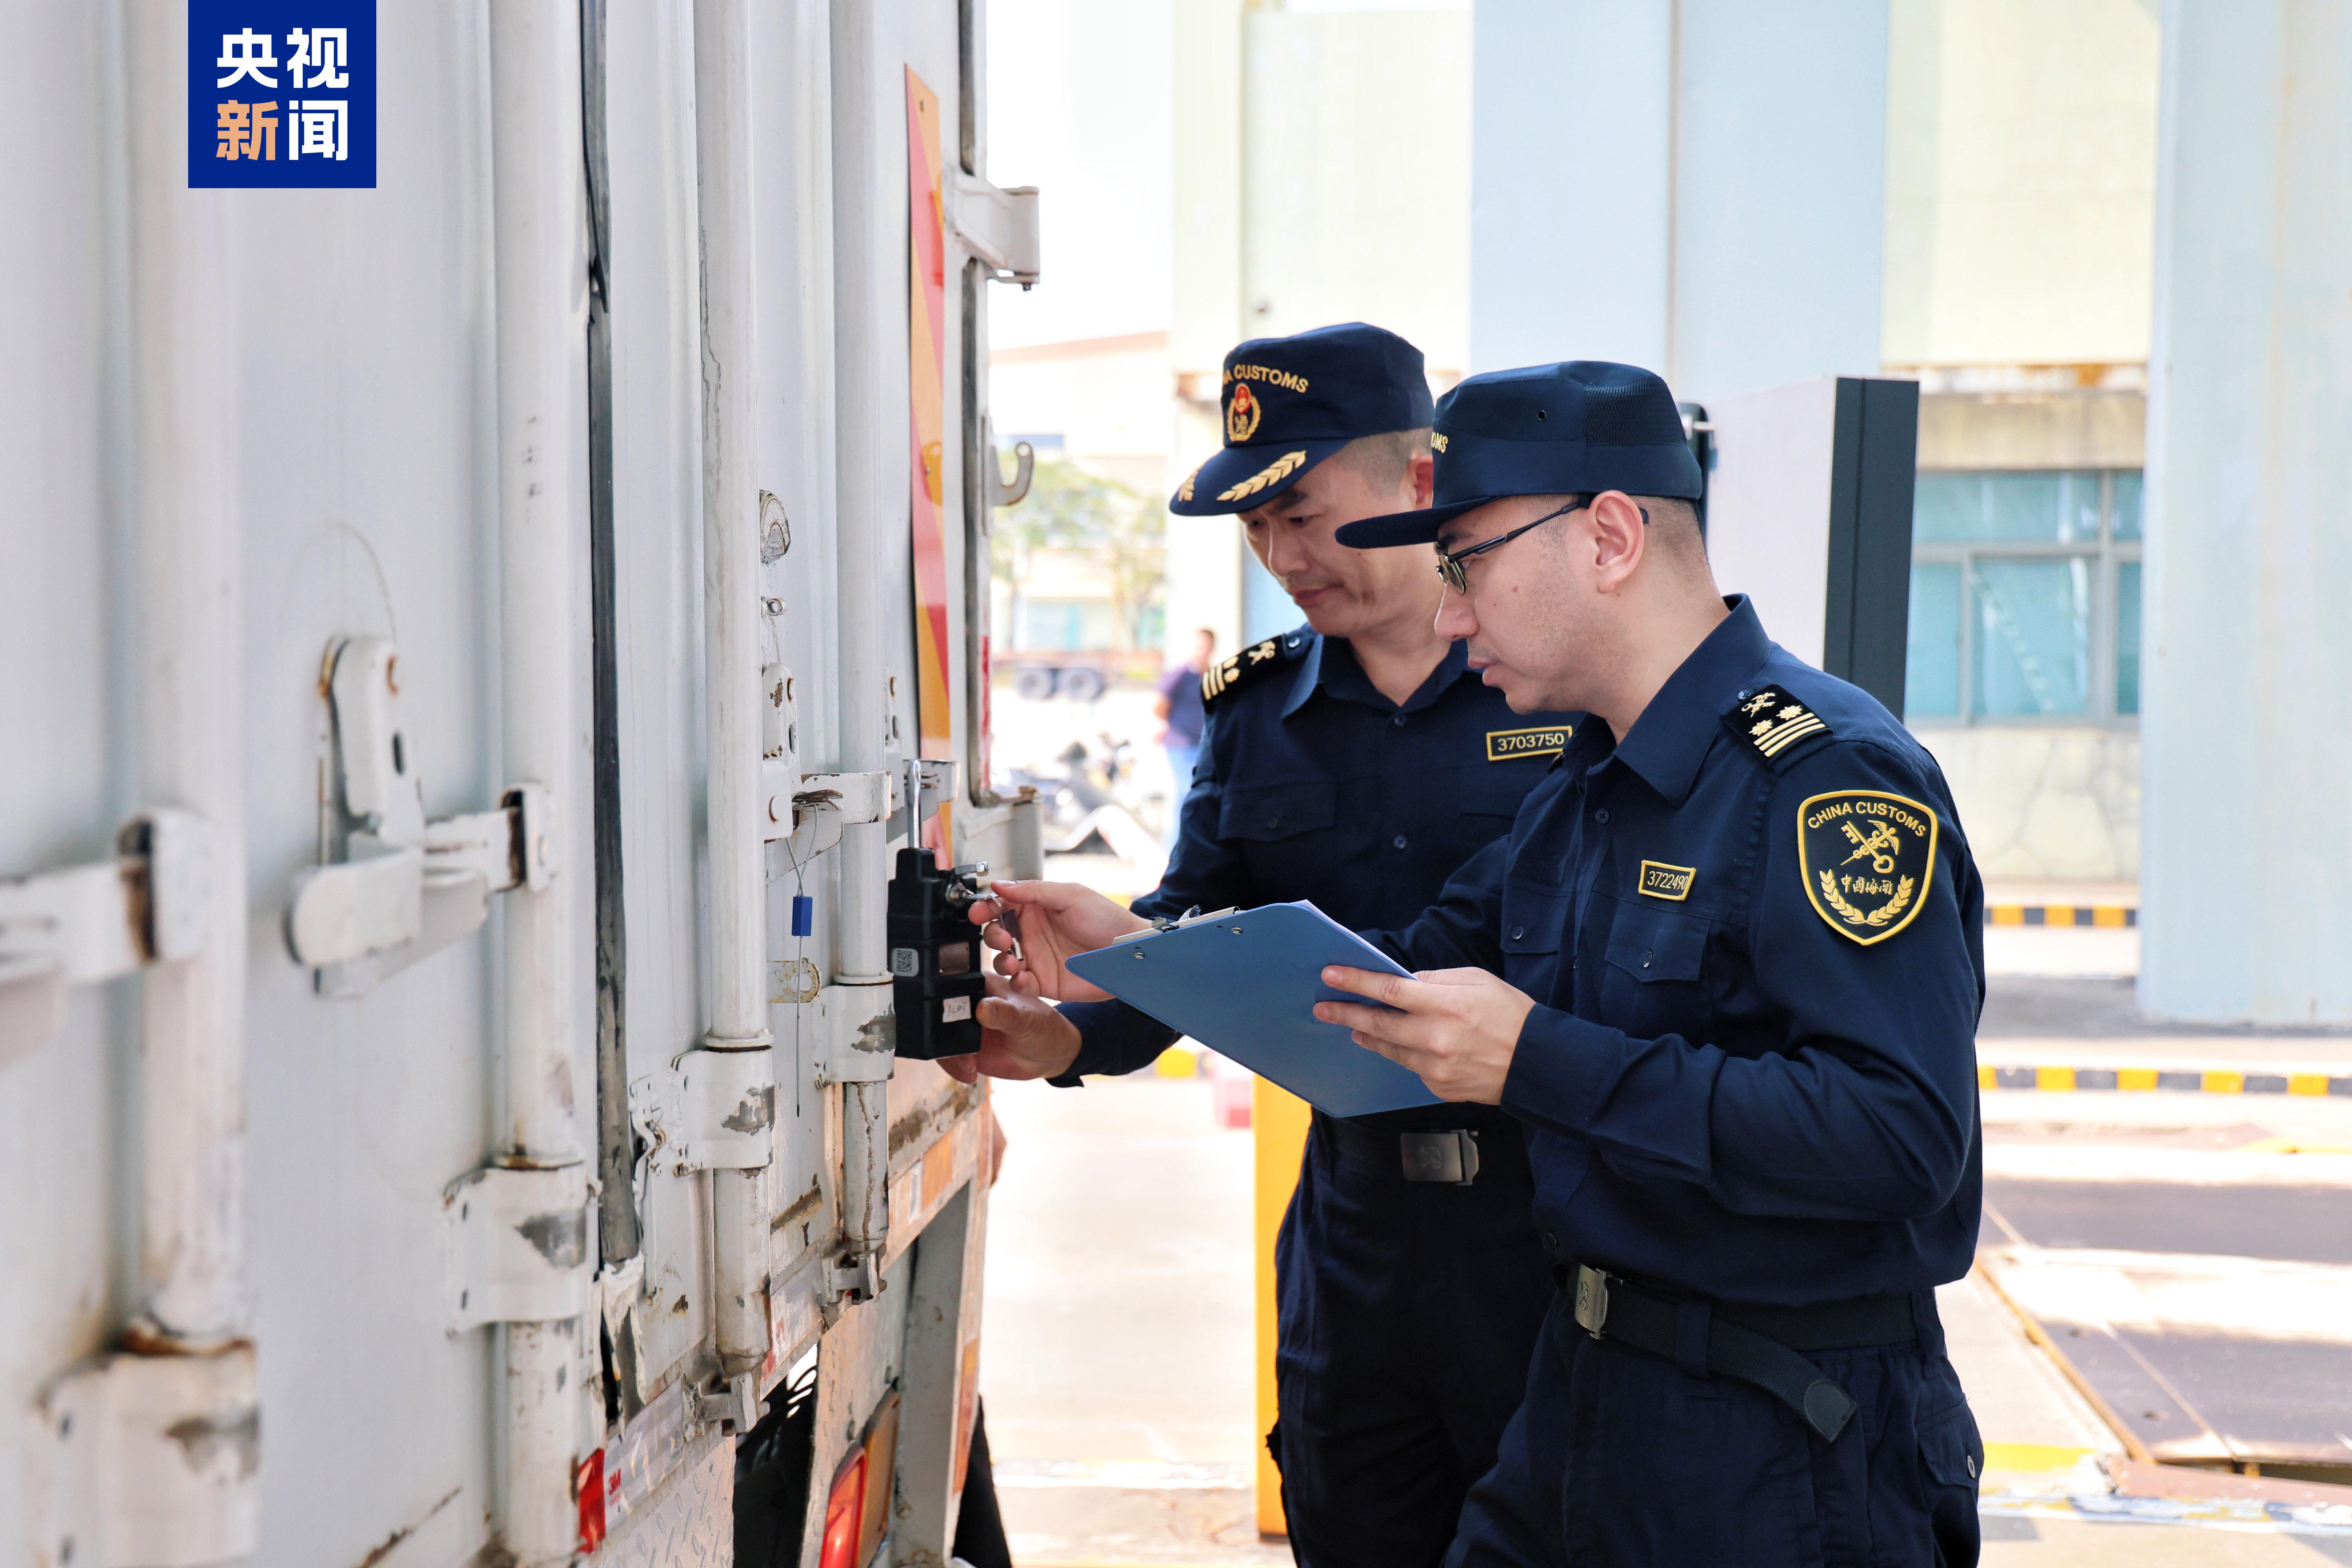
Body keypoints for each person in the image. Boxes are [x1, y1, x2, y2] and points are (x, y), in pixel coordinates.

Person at [968, 362, 1988, 1568]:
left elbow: (1901, 1138)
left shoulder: (1822, 782)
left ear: (1606, 537)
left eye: (1469, 563)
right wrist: (1134, 953)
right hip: (1587, 1388)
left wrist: (1535, 1059)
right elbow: (1378, 982)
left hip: (1778, 1433)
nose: (1451, 614)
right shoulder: (1583, 799)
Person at [946, 322, 1576, 1568]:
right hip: (1356, 1247)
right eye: (1254, 529)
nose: (1280, 557)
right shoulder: (1257, 712)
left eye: (1301, 513)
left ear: (1417, 482)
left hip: (1544, 1233)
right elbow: (1193, 927)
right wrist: (1071, 1027)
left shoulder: (1549, 686)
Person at [1155, 627, 1216, 846]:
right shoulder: (1181, 674)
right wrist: (1165, 725)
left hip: (1203, 746)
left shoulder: (1212, 675)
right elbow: (1160, 704)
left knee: (1203, 795)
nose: (1203, 650)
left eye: (1207, 646)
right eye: (1200, 645)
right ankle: (1173, 848)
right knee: (1185, 792)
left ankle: (1194, 846)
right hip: (1180, 745)